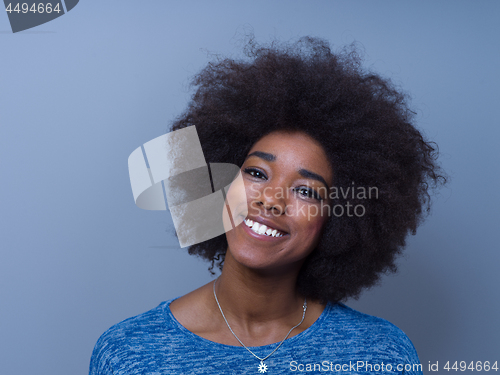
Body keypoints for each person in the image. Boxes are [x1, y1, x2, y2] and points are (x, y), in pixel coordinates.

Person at [89, 37, 445, 374]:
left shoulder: (379, 354)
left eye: (306, 191)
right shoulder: (130, 353)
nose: (271, 200)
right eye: (257, 172)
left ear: (336, 221)